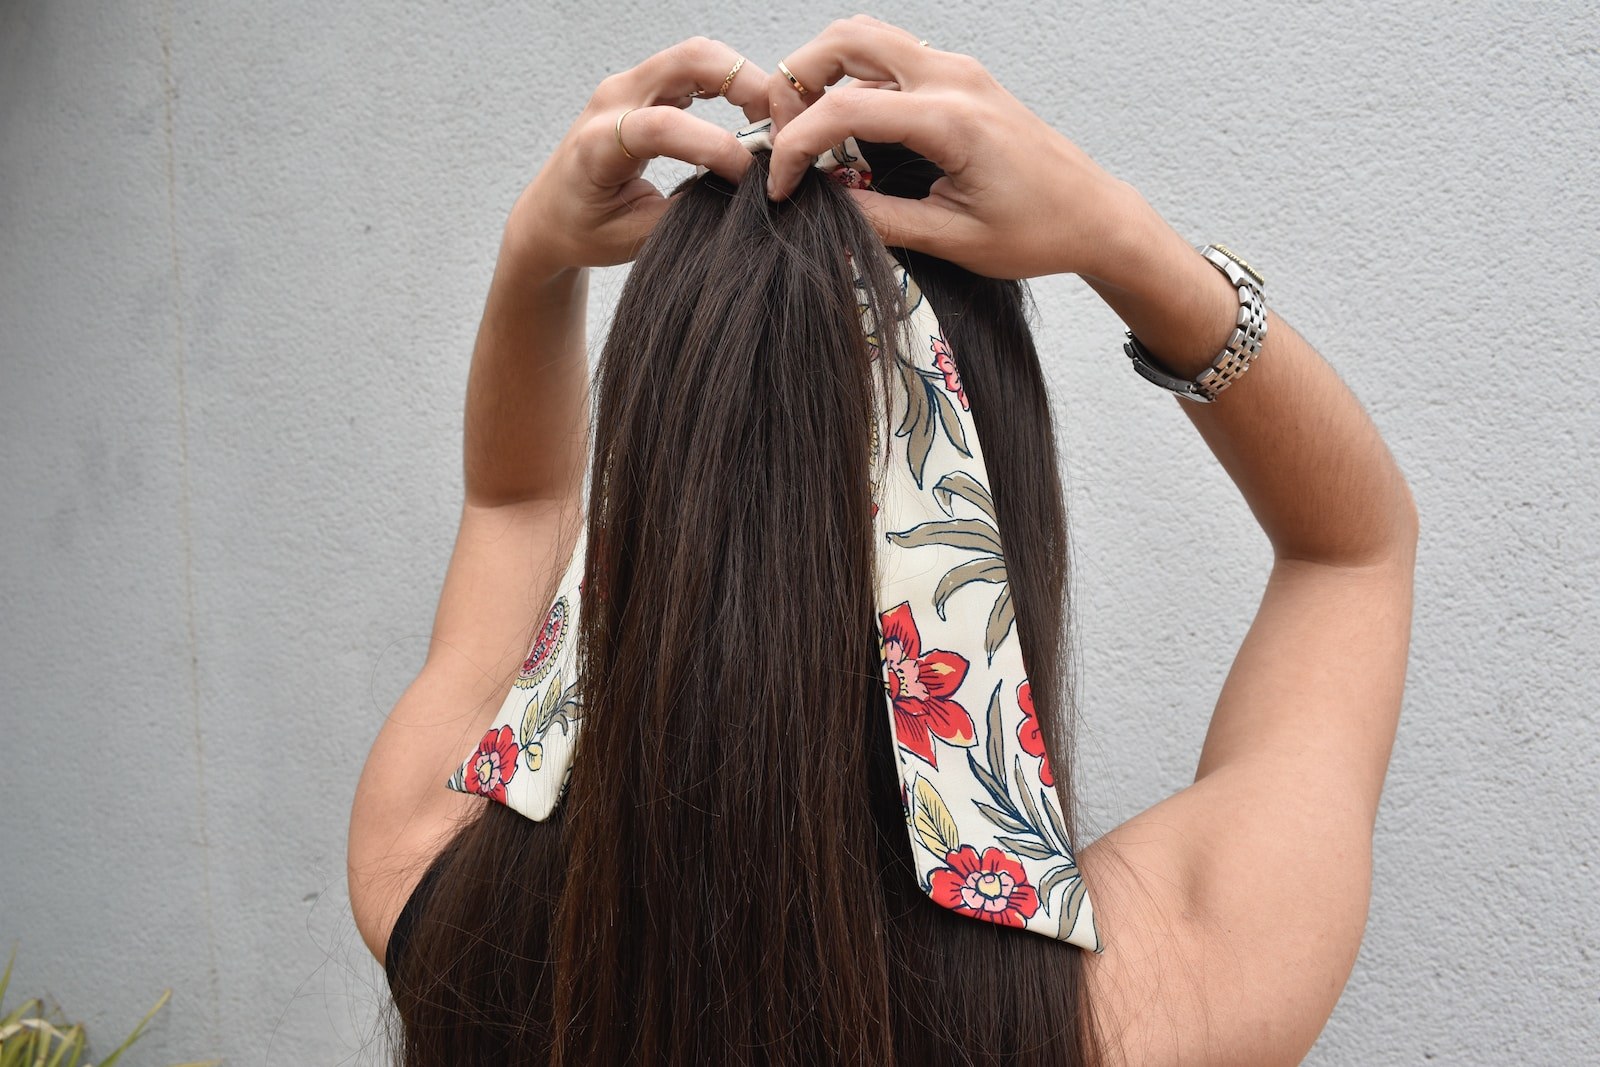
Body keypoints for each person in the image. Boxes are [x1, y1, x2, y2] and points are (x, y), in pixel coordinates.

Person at [347, 16, 1419, 1066]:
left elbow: (515, 505)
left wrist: (533, 256)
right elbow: (1350, 551)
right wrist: (1117, 233)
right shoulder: (1153, 1002)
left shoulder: (427, 888)